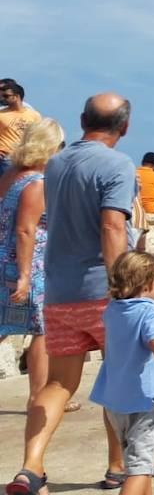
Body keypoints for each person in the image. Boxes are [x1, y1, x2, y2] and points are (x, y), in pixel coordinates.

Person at [9, 93, 134, 495]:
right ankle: (117, 466)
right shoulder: (117, 164)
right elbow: (113, 227)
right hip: (102, 290)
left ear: (82, 120)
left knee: (58, 384)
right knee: (118, 377)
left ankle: (31, 466)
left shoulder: (57, 163)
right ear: (125, 127)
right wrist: (122, 287)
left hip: (60, 291)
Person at [89, 251, 154, 495]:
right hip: (144, 402)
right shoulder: (149, 311)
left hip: (115, 403)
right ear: (148, 284)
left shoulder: (112, 309)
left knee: (139, 464)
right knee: (140, 470)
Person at [0, 120, 63, 411]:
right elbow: (26, 230)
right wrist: (25, 275)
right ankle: (39, 396)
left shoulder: (10, 174)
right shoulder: (37, 183)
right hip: (29, 264)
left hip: (3, 259)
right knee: (42, 329)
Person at [0, 81, 41, 176]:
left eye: (6, 96)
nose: (3, 99)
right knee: (9, 188)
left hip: (27, 158)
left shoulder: (34, 115)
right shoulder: (1, 114)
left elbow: (38, 136)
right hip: (7, 158)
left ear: (17, 96)